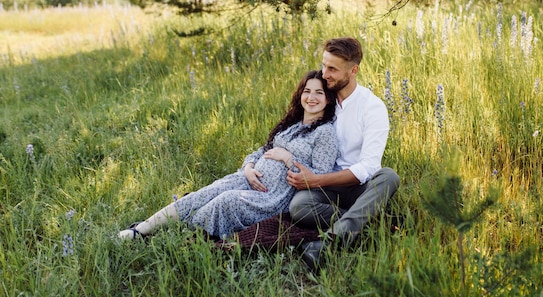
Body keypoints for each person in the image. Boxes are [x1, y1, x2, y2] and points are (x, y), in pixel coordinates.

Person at [118, 70, 340, 240]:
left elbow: (317, 179)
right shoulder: (291, 124)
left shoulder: (325, 133)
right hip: (247, 178)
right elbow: (262, 150)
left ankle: (179, 234)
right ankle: (140, 230)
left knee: (227, 200)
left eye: (319, 92)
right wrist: (249, 167)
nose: (311, 97)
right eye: (307, 91)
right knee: (203, 194)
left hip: (271, 196)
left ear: (328, 99)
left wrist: (287, 159)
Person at [286, 37, 400, 271]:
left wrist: (316, 180)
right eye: (324, 65)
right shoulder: (322, 100)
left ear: (353, 70)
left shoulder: (372, 107)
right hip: (329, 190)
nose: (324, 73)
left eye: (332, 69)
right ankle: (369, 220)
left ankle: (326, 245)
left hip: (361, 186)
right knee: (298, 207)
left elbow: (368, 166)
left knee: (389, 176)